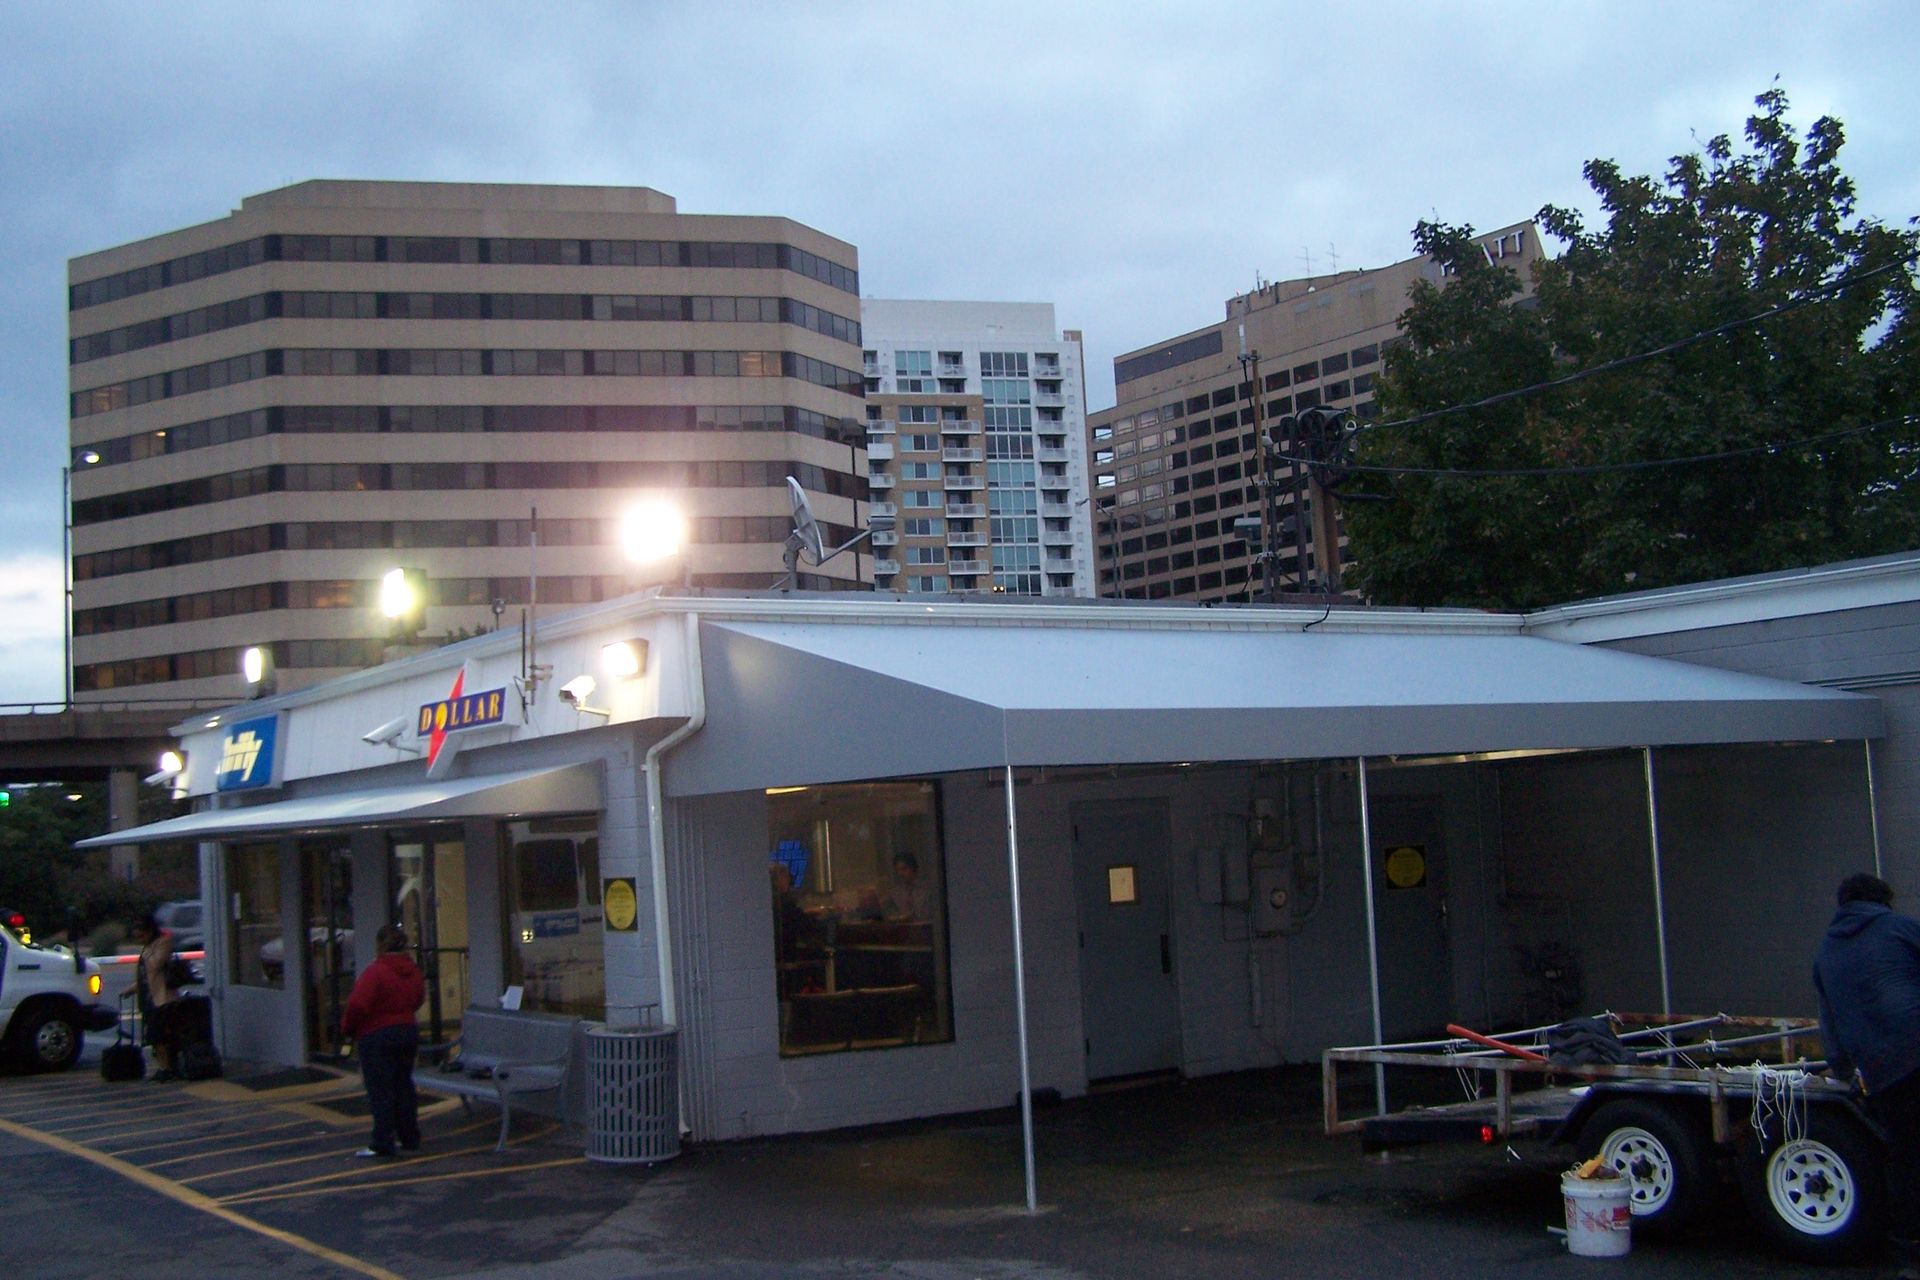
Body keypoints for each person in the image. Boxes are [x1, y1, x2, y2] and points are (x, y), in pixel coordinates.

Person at [1812, 872, 1920, 1279]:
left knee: (1907, 1158)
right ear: (1883, 901)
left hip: (1882, 1073)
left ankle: (1909, 1251)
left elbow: (1830, 1027)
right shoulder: (1900, 928)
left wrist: (1845, 1073)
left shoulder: (1825, 952)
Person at [340, 923, 426, 1159]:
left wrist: (349, 1028)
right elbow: (419, 998)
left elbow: (358, 1004)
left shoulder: (376, 971)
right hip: (406, 1030)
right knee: (403, 1086)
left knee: (381, 1090)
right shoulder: (413, 970)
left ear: (380, 944)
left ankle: (383, 1140)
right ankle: (410, 1137)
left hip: (377, 1034)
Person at [129, 913, 180, 1081]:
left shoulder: (162, 943)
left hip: (162, 998)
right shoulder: (147, 948)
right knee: (153, 1037)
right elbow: (146, 977)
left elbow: (156, 964)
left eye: (143, 935)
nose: (141, 940)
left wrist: (148, 950)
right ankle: (162, 1067)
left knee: (162, 1036)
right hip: (148, 999)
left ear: (150, 931)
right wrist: (133, 989)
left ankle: (168, 1068)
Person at [878, 852, 935, 922]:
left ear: (913, 868)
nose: (900, 873)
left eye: (904, 869)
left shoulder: (928, 889)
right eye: (898, 870)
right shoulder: (895, 893)